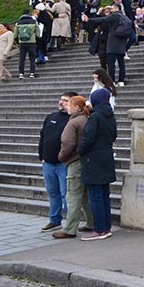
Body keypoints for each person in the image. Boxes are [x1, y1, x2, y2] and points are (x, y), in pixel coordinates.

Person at [78, 89, 117, 239]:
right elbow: (114, 135)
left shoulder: (95, 117)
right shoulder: (110, 116)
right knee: (104, 194)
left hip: (94, 158)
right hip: (106, 156)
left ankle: (99, 229)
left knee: (95, 196)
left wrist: (81, 151)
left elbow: (88, 138)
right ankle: (106, 227)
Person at [53, 94, 93, 239]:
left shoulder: (74, 122)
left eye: (68, 104)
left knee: (73, 195)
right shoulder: (86, 119)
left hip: (75, 162)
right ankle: (91, 222)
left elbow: (68, 144)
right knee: (83, 196)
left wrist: (62, 157)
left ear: (76, 107)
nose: (66, 106)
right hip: (85, 160)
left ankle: (70, 228)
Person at [38, 93, 72, 231]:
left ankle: (70, 221)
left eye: (65, 100)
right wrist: (41, 155)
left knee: (66, 194)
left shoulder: (72, 119)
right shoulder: (51, 117)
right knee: (53, 192)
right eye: (61, 100)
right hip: (48, 162)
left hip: (63, 163)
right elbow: (42, 136)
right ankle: (54, 219)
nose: (61, 102)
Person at [16, 9, 40, 78]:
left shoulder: (18, 23)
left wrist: (18, 41)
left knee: (22, 58)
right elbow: (38, 34)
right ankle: (32, 73)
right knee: (32, 58)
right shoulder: (33, 22)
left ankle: (21, 73)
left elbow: (15, 35)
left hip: (22, 43)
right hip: (32, 42)